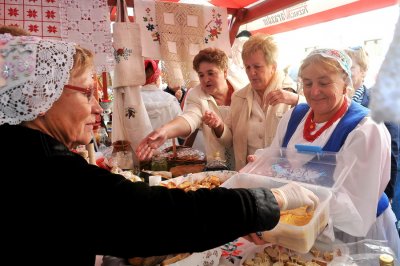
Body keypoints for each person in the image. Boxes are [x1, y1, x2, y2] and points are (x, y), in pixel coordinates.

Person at [0, 34, 319, 266]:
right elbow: (153, 214)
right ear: (38, 98)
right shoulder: (44, 167)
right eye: (87, 92)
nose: (98, 107)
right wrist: (271, 200)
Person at [249, 48, 399, 256]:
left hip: (352, 234)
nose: (314, 91)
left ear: (345, 83)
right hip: (301, 225)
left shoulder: (366, 128)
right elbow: (276, 156)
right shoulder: (295, 116)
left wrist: (292, 195)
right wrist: (260, 165)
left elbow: (356, 208)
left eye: (324, 82)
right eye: (308, 83)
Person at [203, 34, 303, 171]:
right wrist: (218, 126)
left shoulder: (292, 91)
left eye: (257, 66)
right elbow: (228, 140)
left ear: (273, 67)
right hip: (247, 173)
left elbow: (318, 116)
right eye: (248, 67)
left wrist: (296, 100)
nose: (252, 73)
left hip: (281, 176)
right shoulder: (239, 97)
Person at [136, 47, 248, 169]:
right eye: (201, 75)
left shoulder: (244, 89)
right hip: (219, 165)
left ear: (225, 72)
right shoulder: (196, 94)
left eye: (211, 73)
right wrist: (165, 131)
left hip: (249, 160)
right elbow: (189, 118)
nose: (206, 79)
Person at [344, 46, 399, 200]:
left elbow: (391, 149)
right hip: (343, 186)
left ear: (363, 71)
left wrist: (387, 195)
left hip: (371, 186)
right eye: (342, 67)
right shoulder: (334, 103)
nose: (345, 71)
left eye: (351, 67)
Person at [141, 59, 182, 150]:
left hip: (142, 152)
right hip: (169, 152)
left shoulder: (134, 101)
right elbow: (182, 132)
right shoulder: (170, 100)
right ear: (157, 78)